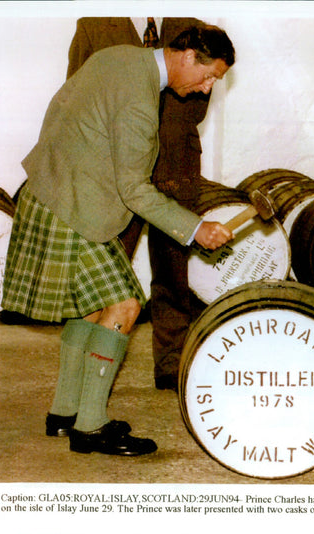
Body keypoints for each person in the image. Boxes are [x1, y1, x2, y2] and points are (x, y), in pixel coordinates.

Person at [1, 24, 236, 456]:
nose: (207, 89)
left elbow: (62, 109)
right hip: (74, 206)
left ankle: (64, 413)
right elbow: (136, 191)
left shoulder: (119, 57)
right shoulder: (140, 103)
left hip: (54, 192)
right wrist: (195, 228)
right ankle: (90, 428)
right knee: (126, 306)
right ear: (187, 56)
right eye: (209, 77)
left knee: (92, 307)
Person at [67, 18, 216, 392]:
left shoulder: (192, 27)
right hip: (116, 170)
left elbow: (198, 102)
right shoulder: (93, 26)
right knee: (106, 278)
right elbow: (75, 93)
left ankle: (171, 363)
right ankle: (88, 368)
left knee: (173, 272)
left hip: (176, 164)